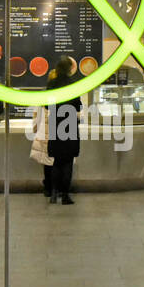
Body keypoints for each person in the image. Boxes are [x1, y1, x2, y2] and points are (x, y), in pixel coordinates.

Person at [46, 57, 82, 205]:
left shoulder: (52, 84)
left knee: (56, 161)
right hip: (70, 125)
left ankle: (54, 194)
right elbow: (78, 107)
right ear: (69, 69)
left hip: (56, 124)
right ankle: (65, 195)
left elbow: (47, 106)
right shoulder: (73, 84)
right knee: (68, 162)